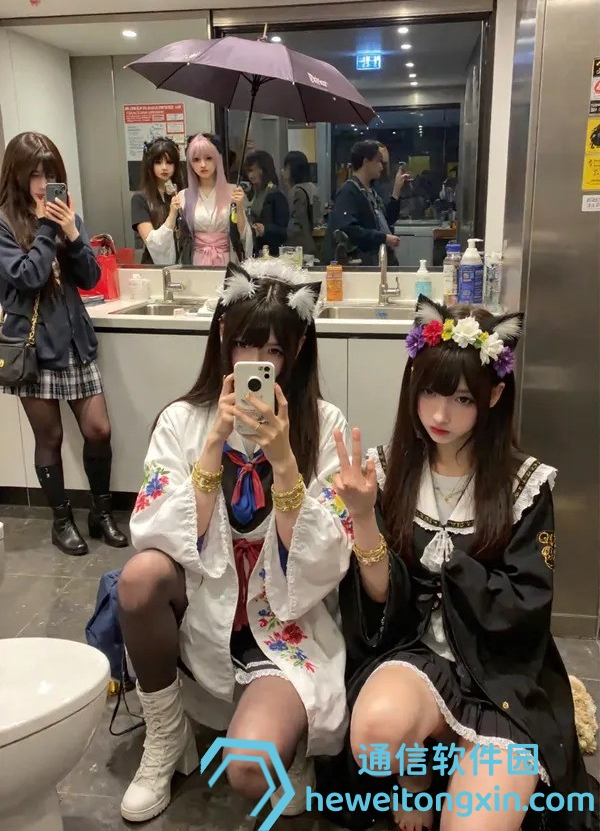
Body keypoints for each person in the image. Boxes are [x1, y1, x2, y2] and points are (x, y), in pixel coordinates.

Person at [319, 296, 598, 831]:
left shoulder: (524, 485)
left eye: (462, 398)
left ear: (494, 395)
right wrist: (363, 517)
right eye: (429, 391)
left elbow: (527, 603)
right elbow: (379, 602)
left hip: (496, 678)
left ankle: (463, 751)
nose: (440, 415)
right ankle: (417, 771)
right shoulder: (389, 470)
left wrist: (456, 572)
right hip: (416, 659)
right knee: (375, 734)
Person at [117, 258, 353, 823]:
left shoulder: (326, 426)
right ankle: (166, 735)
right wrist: (213, 445)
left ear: (297, 350)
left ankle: (293, 735)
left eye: (273, 350)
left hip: (284, 618)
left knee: (251, 769)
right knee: (139, 578)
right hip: (205, 608)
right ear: (223, 335)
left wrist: (285, 461)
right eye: (246, 344)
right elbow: (154, 530)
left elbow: (326, 556)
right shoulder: (182, 420)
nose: (257, 361)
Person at [0, 132, 127, 555]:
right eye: (34, 174)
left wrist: (72, 232)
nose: (42, 183)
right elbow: (27, 277)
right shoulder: (4, 223)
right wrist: (46, 228)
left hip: (74, 340)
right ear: (17, 175)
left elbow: (90, 278)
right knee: (50, 437)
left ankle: (101, 513)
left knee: (99, 430)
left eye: (50, 173)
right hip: (33, 347)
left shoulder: (66, 215)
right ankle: (61, 521)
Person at [163, 133, 251, 267]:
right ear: (190, 163)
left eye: (208, 158)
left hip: (228, 260)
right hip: (196, 261)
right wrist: (172, 212)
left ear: (217, 159)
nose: (203, 165)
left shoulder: (234, 191)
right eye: (196, 159)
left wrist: (239, 206)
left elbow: (243, 234)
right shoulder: (183, 196)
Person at [324, 140, 410, 266]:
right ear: (366, 162)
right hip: (360, 263)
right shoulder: (348, 191)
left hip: (376, 260)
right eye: (378, 161)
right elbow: (349, 229)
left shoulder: (370, 192)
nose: (381, 167)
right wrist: (383, 238)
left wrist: (396, 190)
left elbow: (387, 220)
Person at [130, 137, 182, 265]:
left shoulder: (181, 193)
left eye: (169, 162)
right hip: (154, 266)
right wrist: (172, 214)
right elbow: (152, 242)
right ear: (150, 165)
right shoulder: (140, 199)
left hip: (184, 262)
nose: (164, 167)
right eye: (158, 162)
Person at [245, 151, 290, 257]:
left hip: (272, 253)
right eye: (248, 171)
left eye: (253, 170)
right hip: (256, 251)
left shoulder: (276, 195)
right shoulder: (253, 193)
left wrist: (265, 229)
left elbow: (285, 231)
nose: (250, 175)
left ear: (264, 170)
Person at [283, 150, 320, 256]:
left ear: (291, 169)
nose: (283, 171)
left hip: (298, 249)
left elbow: (295, 226)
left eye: (285, 168)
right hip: (311, 243)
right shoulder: (312, 188)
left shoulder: (296, 191)